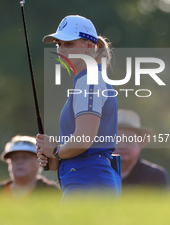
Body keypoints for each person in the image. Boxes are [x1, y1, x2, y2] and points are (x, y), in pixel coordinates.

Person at [35, 15, 121, 200]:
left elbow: (83, 140)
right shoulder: (87, 81)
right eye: (58, 44)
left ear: (89, 46)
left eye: (69, 44)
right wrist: (57, 158)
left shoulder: (88, 82)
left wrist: (56, 150)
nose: (61, 50)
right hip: (88, 180)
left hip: (88, 182)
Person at [0, 135, 60, 201]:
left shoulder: (50, 192)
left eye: (25, 157)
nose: (19, 162)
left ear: (39, 161)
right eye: (14, 158)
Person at [114, 109, 170, 190]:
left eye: (129, 140)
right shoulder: (98, 173)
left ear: (139, 144)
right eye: (117, 140)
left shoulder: (155, 176)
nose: (122, 146)